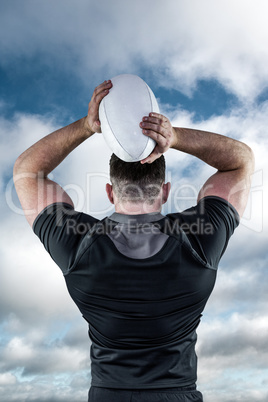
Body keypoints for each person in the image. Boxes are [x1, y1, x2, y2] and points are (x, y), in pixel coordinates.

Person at [13, 80, 254, 402]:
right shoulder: (201, 238)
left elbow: (28, 172)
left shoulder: (75, 242)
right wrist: (174, 137)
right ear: (165, 190)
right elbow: (240, 160)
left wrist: (87, 126)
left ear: (110, 191)